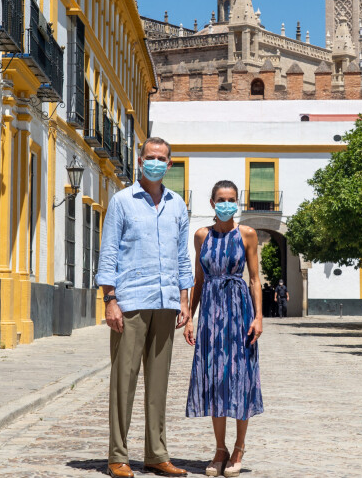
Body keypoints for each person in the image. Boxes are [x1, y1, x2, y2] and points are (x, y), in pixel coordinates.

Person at [96, 137, 193, 478]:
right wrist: (110, 301)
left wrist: (184, 301)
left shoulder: (178, 205)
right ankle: (117, 456)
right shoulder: (122, 201)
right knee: (124, 381)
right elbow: (108, 253)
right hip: (131, 302)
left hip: (166, 303)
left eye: (161, 158)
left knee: (159, 383)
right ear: (140, 161)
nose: (155, 162)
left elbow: (183, 257)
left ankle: (156, 454)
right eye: (149, 157)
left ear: (170, 164)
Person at [184, 180, 264, 478]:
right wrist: (190, 316)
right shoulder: (201, 235)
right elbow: (199, 280)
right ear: (212, 202)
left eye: (231, 199)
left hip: (240, 312)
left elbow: (255, 279)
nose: (226, 203)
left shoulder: (247, 234)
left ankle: (239, 447)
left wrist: (258, 317)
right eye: (221, 198)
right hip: (211, 315)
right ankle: (220, 449)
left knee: (240, 377)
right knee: (216, 378)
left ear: (237, 202)